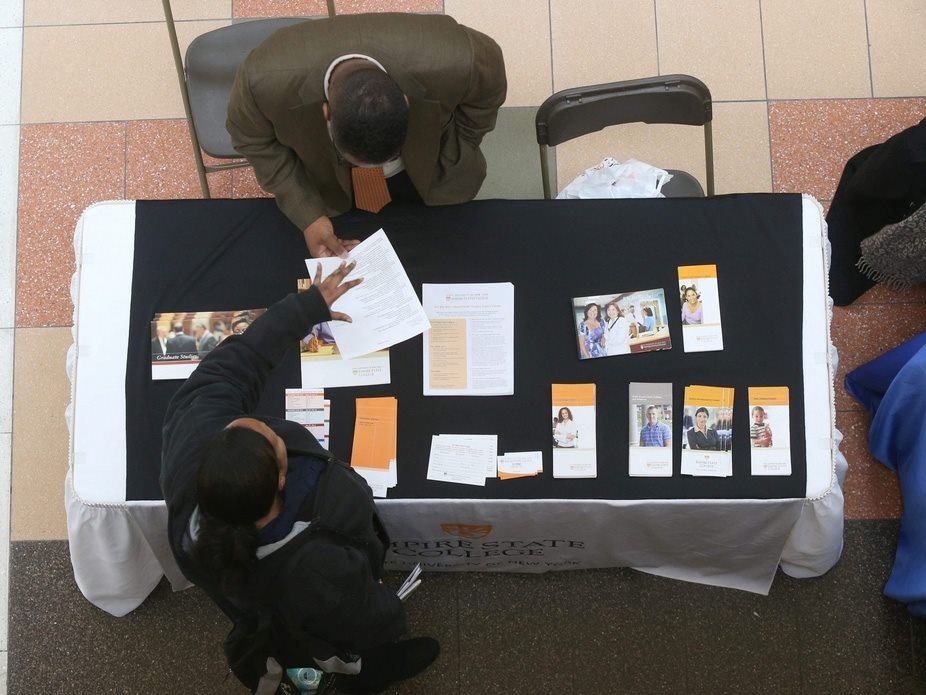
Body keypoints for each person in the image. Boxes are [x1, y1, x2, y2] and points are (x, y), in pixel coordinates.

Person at [160, 262, 439, 694]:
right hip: (321, 612)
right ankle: (369, 672)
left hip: (260, 601)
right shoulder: (312, 564)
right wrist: (391, 615)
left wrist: (308, 306)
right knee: (340, 644)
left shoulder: (197, 437)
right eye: (273, 439)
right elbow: (359, 611)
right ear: (282, 478)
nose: (269, 427)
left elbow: (238, 362)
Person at [226, 13, 507, 259]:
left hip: (431, 165)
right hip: (328, 181)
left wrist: (464, 140)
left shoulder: (460, 57)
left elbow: (489, 90)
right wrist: (307, 214)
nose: (376, 171)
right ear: (327, 114)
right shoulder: (261, 81)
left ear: (406, 103)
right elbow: (250, 138)